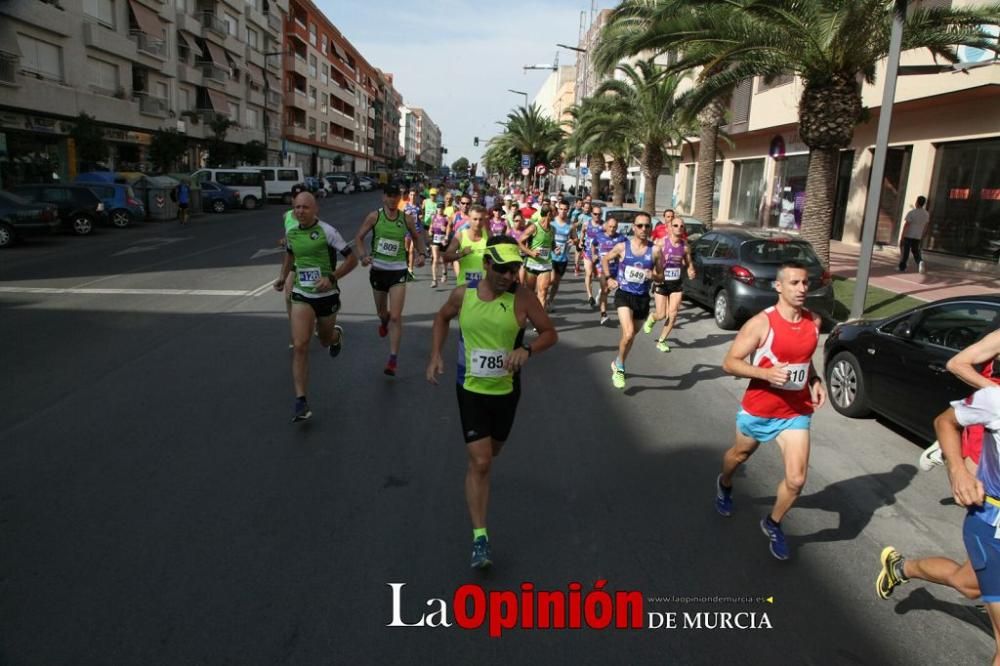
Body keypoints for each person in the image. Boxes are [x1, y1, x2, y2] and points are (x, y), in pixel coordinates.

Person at [426, 236, 558, 569]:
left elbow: (549, 333)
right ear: (486, 264)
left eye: (513, 269)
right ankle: (480, 539)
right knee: (481, 462)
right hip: (469, 388)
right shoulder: (464, 294)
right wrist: (435, 356)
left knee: (493, 453)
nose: (507, 276)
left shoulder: (524, 298)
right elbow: (441, 318)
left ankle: (480, 471)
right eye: (501, 269)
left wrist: (526, 350)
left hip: (506, 391)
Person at [714, 261, 826, 560]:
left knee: (797, 480)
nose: (802, 288)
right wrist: (766, 374)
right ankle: (724, 484)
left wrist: (814, 379)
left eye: (805, 283)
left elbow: (804, 359)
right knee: (738, 456)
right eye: (794, 283)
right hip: (760, 408)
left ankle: (773, 522)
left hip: (795, 410)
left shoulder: (813, 322)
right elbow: (730, 363)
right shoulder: (761, 324)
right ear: (779, 286)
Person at [884, 387, 1000, 664]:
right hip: (991, 527)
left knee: (967, 585)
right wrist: (958, 471)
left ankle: (901, 568)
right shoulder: (995, 398)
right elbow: (945, 421)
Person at [272, 192, 357, 422]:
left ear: (315, 209)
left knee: (324, 340)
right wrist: (282, 277)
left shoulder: (328, 231)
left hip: (327, 295)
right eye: (297, 208)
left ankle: (335, 336)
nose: (300, 211)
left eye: (305, 208)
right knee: (300, 345)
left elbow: (352, 259)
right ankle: (301, 401)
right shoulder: (291, 233)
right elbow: (290, 257)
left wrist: (332, 277)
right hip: (302, 294)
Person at [353, 184, 427, 376]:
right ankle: (383, 322)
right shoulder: (374, 217)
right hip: (378, 270)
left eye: (397, 196)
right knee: (382, 312)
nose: (393, 199)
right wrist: (363, 256)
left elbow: (417, 237)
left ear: (399, 198)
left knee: (395, 316)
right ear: (383, 197)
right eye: (390, 196)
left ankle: (393, 359)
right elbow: (359, 238)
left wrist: (421, 254)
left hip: (398, 271)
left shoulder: (406, 218)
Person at [601, 213, 663, 389]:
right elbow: (605, 259)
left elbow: (661, 276)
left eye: (647, 226)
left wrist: (654, 275)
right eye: (640, 226)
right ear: (634, 228)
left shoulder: (656, 251)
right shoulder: (622, 247)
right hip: (624, 294)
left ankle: (618, 361)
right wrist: (609, 278)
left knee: (631, 336)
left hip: (642, 298)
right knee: (628, 334)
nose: (644, 229)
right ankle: (620, 368)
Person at [643, 211, 696, 352]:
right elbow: (650, 259)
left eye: (681, 226)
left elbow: (689, 262)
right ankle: (652, 318)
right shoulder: (661, 243)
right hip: (662, 282)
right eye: (676, 225)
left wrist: (691, 269)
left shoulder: (685, 246)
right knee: (661, 314)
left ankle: (662, 340)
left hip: (676, 283)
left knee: (672, 314)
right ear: (670, 227)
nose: (679, 228)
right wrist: (650, 273)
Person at [518, 205, 555, 309]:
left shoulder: (552, 229)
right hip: (532, 264)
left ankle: (538, 324)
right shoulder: (534, 227)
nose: (555, 214)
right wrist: (530, 252)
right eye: (554, 212)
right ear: (549, 214)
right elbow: (519, 242)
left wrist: (555, 248)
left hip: (545, 264)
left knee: (543, 293)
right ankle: (527, 314)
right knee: (530, 294)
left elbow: (552, 244)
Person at [443, 203, 488, 286]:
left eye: (481, 219)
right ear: (469, 219)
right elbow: (446, 257)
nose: (478, 223)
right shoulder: (460, 236)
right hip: (465, 285)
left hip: (483, 285)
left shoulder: (488, 236)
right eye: (475, 219)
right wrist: (462, 254)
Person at [592, 215, 626, 326]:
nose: (612, 229)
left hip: (616, 269)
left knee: (608, 290)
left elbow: (628, 248)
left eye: (614, 227)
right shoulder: (599, 236)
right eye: (610, 226)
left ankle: (602, 294)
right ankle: (603, 315)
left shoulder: (621, 238)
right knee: (605, 290)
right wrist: (594, 254)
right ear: (606, 226)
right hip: (603, 269)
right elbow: (593, 244)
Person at [547, 200, 577, 312]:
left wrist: (573, 241)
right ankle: (542, 298)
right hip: (551, 257)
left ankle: (550, 301)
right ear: (558, 209)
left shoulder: (570, 225)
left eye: (565, 209)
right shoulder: (551, 222)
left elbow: (575, 239)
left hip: (563, 258)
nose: (563, 212)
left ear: (568, 210)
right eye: (561, 209)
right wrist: (552, 247)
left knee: (556, 282)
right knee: (551, 279)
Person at [898, 195, 930, 274]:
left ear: (917, 202)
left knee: (906, 251)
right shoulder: (926, 214)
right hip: (918, 236)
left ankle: (902, 267)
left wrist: (902, 235)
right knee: (915, 251)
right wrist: (922, 235)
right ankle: (920, 262)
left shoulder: (912, 213)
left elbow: (907, 225)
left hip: (909, 234)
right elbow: (926, 226)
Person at [581, 205, 604, 308]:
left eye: (599, 214)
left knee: (600, 277)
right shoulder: (586, 224)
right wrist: (581, 241)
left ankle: (600, 293)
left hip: (600, 255)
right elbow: (582, 233)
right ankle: (590, 296)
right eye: (595, 214)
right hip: (588, 253)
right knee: (589, 274)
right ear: (591, 214)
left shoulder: (604, 226)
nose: (597, 216)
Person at [429, 202, 451, 287]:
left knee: (443, 259)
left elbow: (449, 229)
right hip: (435, 239)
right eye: (438, 208)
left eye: (441, 208)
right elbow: (431, 227)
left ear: (443, 209)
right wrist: (430, 231)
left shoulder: (446, 218)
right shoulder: (434, 217)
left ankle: (444, 273)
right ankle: (434, 280)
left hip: (443, 240)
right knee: (435, 259)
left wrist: (446, 234)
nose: (440, 210)